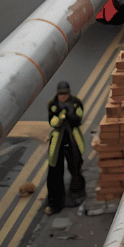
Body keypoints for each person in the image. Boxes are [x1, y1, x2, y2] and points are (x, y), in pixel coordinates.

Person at [46, 80, 85, 214]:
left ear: (68, 93)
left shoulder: (76, 103)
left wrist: (70, 114)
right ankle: (56, 201)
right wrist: (61, 116)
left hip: (73, 139)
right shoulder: (52, 104)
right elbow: (52, 122)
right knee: (55, 171)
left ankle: (77, 194)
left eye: (64, 94)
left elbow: (78, 119)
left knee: (75, 166)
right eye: (60, 94)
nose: (62, 97)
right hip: (58, 141)